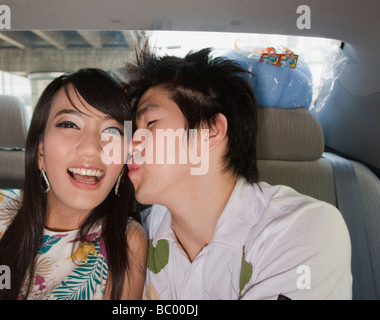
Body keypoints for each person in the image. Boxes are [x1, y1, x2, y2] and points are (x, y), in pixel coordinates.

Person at [124, 46, 352, 299]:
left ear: (210, 130)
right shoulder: (137, 233)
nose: (131, 143)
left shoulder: (306, 230)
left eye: (151, 123)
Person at [0, 68, 147, 300]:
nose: (91, 148)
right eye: (69, 124)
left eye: (112, 130)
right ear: (41, 152)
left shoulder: (126, 242)